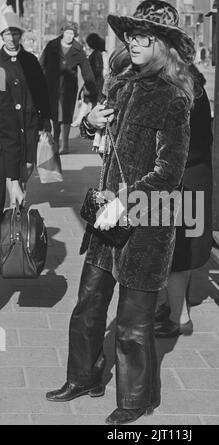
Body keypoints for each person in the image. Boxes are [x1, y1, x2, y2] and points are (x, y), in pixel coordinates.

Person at [46, 0, 195, 426]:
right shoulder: (119, 81)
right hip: (105, 217)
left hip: (146, 223)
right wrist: (90, 122)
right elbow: (97, 135)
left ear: (163, 44)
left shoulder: (174, 97)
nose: (132, 41)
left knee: (132, 321)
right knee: (88, 304)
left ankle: (135, 399)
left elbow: (170, 171)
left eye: (142, 35)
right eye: (129, 33)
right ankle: (83, 377)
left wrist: (126, 203)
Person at [154, 64, 213, 337]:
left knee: (175, 252)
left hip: (182, 182)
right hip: (195, 178)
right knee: (182, 249)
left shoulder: (179, 95)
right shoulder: (195, 90)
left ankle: (180, 319)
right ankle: (172, 305)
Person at [0, 5, 51, 209]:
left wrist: (46, 120)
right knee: (8, 167)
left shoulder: (30, 60)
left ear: (20, 35)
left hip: (30, 123)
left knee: (27, 166)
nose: (11, 38)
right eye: (6, 33)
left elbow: (41, 91)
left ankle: (18, 200)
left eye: (15, 33)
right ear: (1, 36)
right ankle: (12, 204)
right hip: (5, 126)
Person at [39, 22, 97, 155]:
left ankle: (65, 144)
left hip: (68, 88)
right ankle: (55, 141)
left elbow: (86, 70)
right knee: (53, 115)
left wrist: (92, 88)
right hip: (51, 86)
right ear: (63, 33)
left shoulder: (78, 49)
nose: (70, 36)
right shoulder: (52, 46)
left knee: (66, 116)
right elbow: (41, 64)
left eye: (72, 34)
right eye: (67, 33)